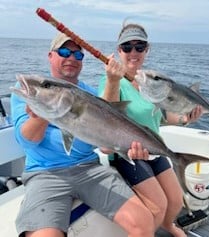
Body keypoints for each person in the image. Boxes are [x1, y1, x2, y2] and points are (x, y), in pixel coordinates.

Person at [11, 32, 158, 237]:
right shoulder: (26, 91)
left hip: (91, 169)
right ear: (50, 56)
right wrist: (40, 114)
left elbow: (106, 146)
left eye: (77, 55)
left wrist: (130, 148)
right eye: (64, 52)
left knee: (144, 222)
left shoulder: (89, 94)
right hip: (46, 175)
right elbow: (28, 140)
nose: (71, 58)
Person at [99, 22, 203, 237]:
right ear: (119, 51)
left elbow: (164, 116)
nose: (133, 52)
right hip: (127, 153)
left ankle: (168, 225)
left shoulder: (152, 82)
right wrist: (112, 80)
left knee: (175, 201)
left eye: (139, 47)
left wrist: (185, 119)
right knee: (159, 204)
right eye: (127, 47)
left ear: (147, 50)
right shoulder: (111, 81)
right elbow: (105, 118)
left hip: (154, 147)